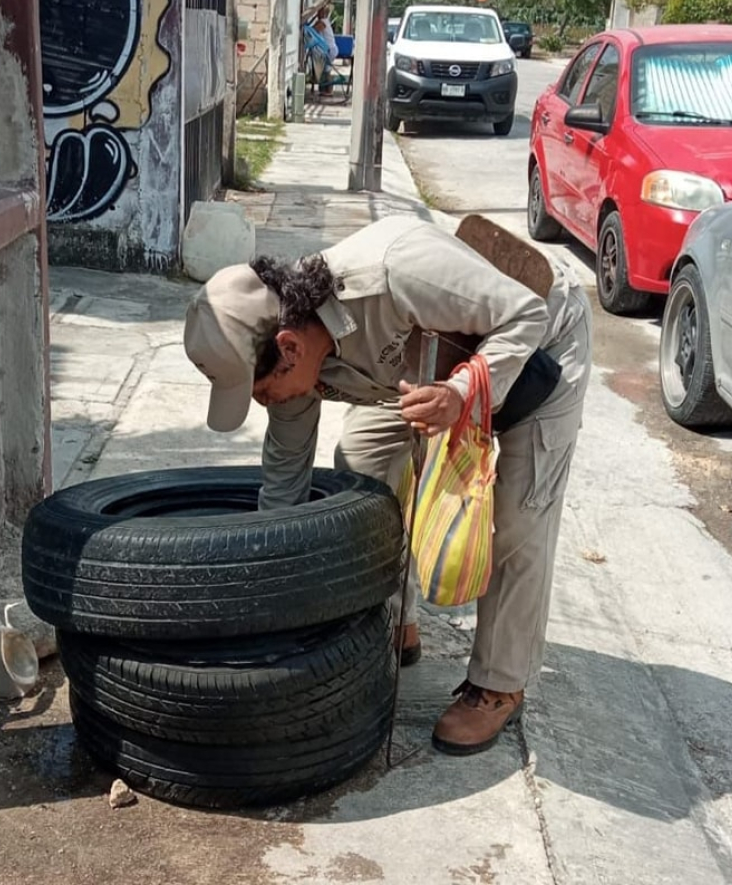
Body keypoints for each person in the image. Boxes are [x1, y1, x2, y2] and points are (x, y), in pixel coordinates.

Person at [183, 216, 592, 756]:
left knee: (511, 519)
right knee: (360, 463)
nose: (266, 404)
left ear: (288, 349)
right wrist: (269, 601)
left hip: (537, 339)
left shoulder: (394, 271)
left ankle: (498, 684)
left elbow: (524, 314)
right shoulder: (296, 348)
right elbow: (283, 486)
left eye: (262, 392)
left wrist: (460, 393)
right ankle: (397, 617)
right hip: (425, 367)